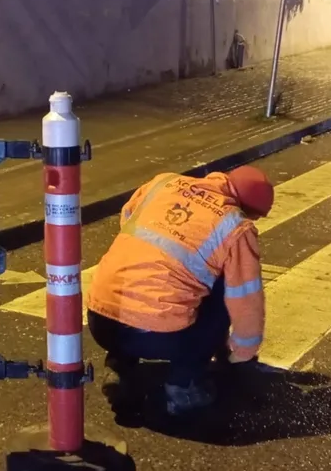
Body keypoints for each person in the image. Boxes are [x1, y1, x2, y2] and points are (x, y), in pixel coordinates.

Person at [86, 166, 274, 417]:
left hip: (99, 320)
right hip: (156, 336)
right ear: (247, 209)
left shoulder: (163, 183)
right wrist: (241, 353)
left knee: (139, 274)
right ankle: (184, 389)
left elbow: (128, 218)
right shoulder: (235, 226)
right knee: (223, 286)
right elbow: (245, 299)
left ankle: (121, 367)